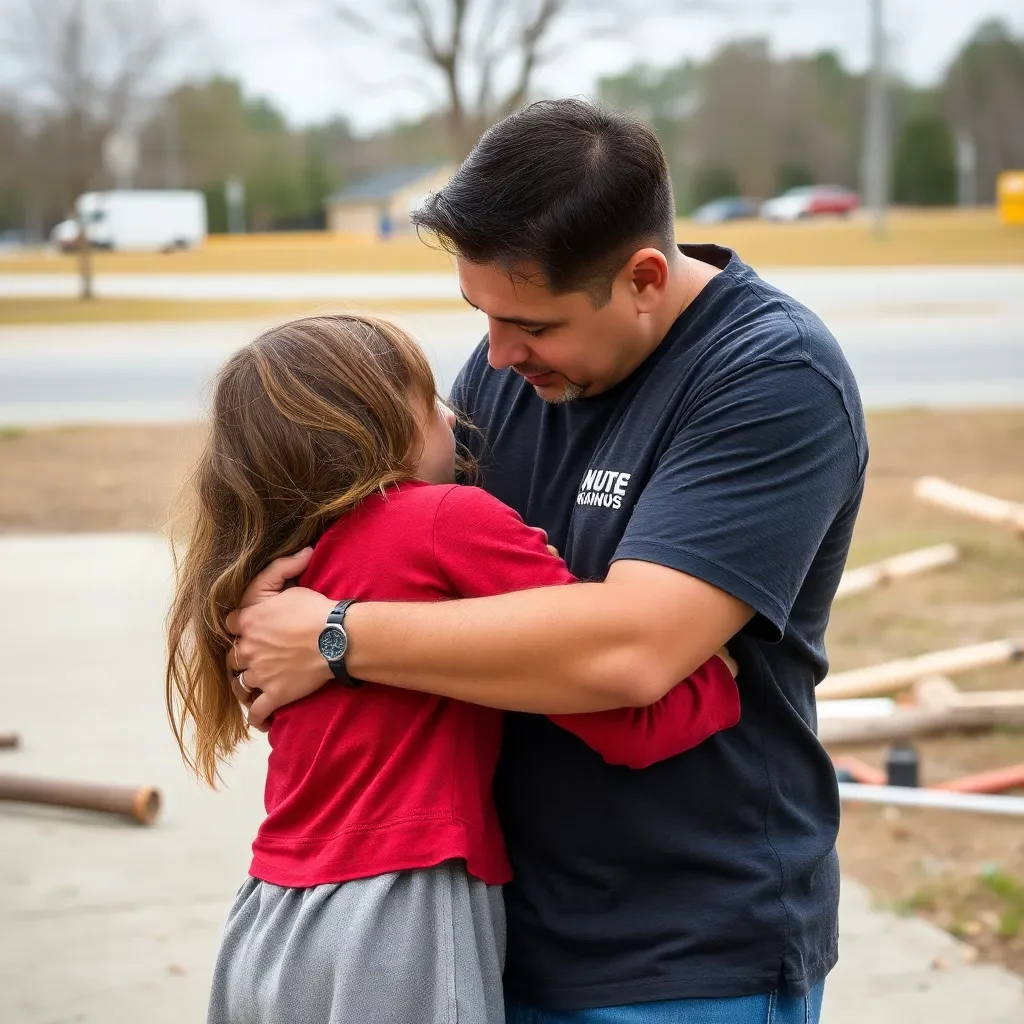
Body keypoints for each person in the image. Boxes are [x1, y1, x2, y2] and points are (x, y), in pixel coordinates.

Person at [228, 100, 868, 1024]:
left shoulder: (770, 376)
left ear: (644, 277)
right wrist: (263, 603)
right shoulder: (510, 369)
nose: (494, 354)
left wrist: (333, 635)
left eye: (531, 322)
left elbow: (632, 655)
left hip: (683, 952)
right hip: (483, 927)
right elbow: (393, 552)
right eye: (480, 313)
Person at [166, 313, 740, 1024]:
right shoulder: (447, 521)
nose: (454, 414)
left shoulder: (282, 568)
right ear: (379, 429)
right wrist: (713, 676)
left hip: (269, 925)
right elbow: (624, 715)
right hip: (396, 919)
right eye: (429, 399)